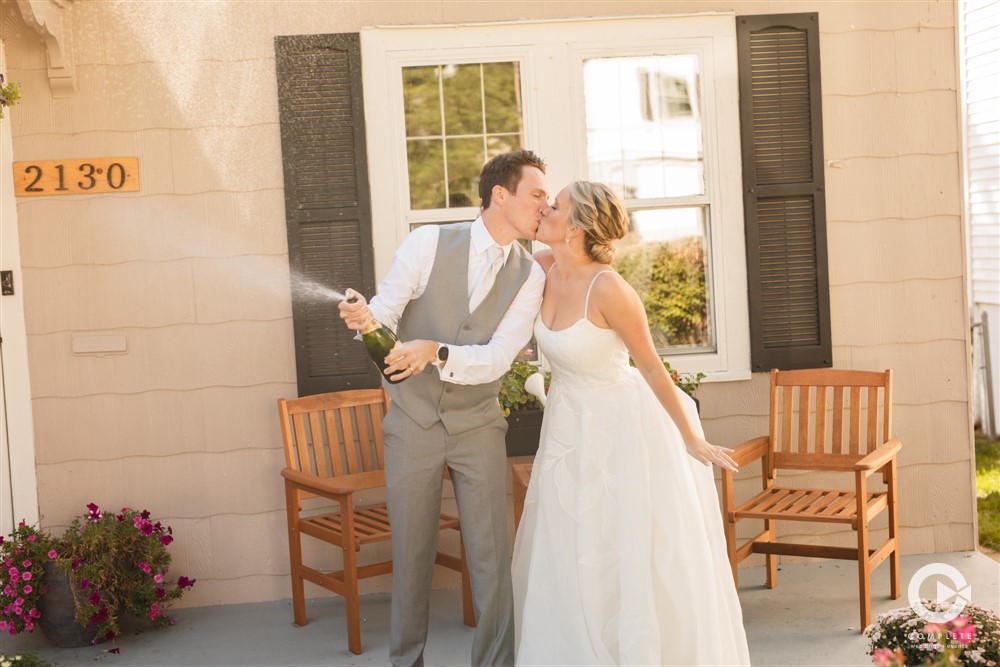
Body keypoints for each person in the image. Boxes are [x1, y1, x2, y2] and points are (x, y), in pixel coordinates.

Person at [512, 181, 751, 666]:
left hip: (620, 429)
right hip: (566, 428)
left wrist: (690, 437)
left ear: (575, 227)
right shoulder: (539, 269)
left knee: (619, 548)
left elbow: (651, 366)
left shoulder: (610, 289)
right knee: (566, 546)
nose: (544, 210)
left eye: (553, 205)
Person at [339, 150, 549, 667]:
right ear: (501, 195)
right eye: (537, 194)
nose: (546, 205)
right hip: (413, 422)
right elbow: (385, 312)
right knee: (411, 555)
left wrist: (435, 350)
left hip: (478, 425)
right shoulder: (427, 242)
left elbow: (499, 357)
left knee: (490, 558)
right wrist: (364, 318)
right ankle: (406, 662)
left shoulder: (531, 275)